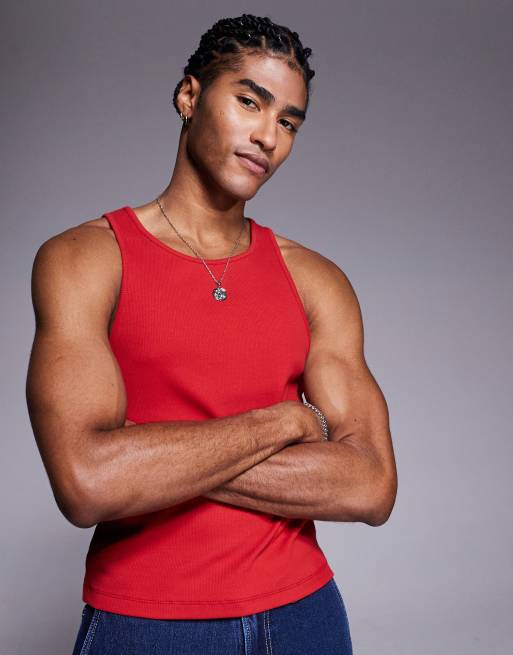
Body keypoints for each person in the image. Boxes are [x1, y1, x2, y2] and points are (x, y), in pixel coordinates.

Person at [26, 13, 397, 655]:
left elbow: (370, 485)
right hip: (147, 623)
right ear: (189, 96)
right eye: (249, 102)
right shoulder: (85, 259)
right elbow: (87, 484)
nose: (267, 137)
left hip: (303, 616)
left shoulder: (315, 279)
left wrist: (148, 458)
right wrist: (284, 422)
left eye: (288, 122)